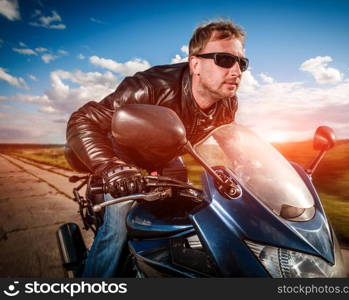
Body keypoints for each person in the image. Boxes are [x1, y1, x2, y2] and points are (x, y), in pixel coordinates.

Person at [65, 19, 249, 277]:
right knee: (118, 226)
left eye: (242, 62)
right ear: (195, 64)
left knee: (187, 216)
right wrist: (111, 167)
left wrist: (252, 168)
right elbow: (84, 118)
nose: (236, 70)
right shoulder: (150, 87)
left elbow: (229, 137)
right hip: (121, 157)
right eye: (224, 59)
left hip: (164, 154)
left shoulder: (227, 101)